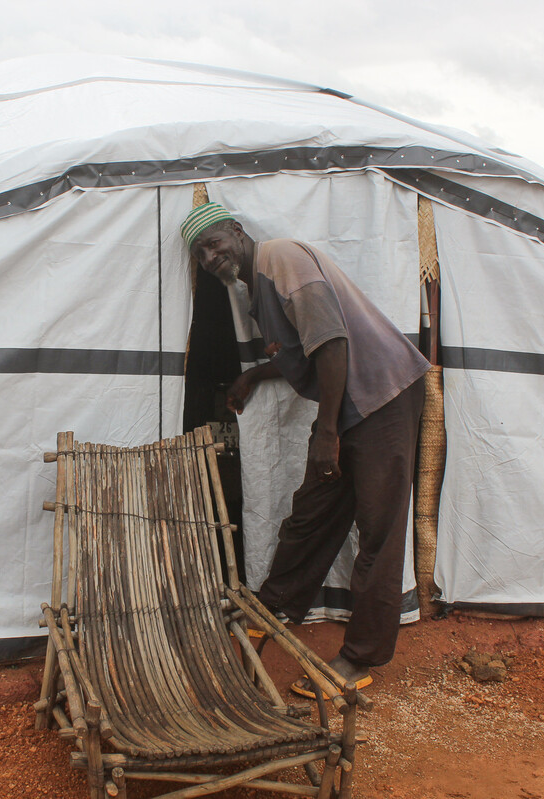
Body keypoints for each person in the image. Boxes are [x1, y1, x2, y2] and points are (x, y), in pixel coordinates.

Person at [181, 202, 429, 693]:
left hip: (383, 396)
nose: (211, 257)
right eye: (201, 254)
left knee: (378, 533)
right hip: (356, 407)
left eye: (214, 243)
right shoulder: (257, 286)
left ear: (237, 230)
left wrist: (326, 433)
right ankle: (272, 608)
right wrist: (254, 373)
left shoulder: (279, 258)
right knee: (311, 515)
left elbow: (332, 341)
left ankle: (359, 660)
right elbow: (303, 349)